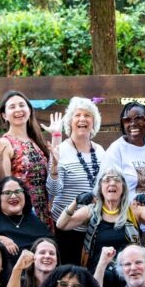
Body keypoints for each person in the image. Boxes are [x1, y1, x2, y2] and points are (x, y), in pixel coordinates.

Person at [56, 168, 145, 287]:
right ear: (100, 187)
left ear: (123, 188)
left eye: (117, 180)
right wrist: (75, 202)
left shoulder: (134, 210)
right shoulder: (92, 210)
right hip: (99, 276)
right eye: (107, 180)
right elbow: (61, 224)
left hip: (129, 276)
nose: (112, 183)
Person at [101, 102, 145, 271]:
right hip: (129, 221)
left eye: (139, 118)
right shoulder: (116, 149)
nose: (133, 123)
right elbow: (105, 185)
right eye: (127, 119)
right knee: (132, 270)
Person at [47, 97, 107, 263]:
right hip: (67, 226)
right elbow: (53, 191)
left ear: (94, 122)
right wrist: (54, 167)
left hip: (95, 226)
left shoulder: (100, 150)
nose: (82, 119)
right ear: (70, 123)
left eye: (87, 115)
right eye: (77, 115)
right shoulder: (61, 150)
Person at [0, 91, 56, 229]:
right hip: (22, 213)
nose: (18, 110)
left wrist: (57, 135)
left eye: (22, 105)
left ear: (29, 110)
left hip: (44, 210)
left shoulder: (36, 140)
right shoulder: (5, 142)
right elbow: (3, 184)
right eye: (12, 107)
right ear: (4, 115)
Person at [0, 176, 50, 255]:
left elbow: (50, 241)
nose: (13, 196)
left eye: (18, 191)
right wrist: (1, 239)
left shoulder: (35, 221)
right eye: (7, 193)